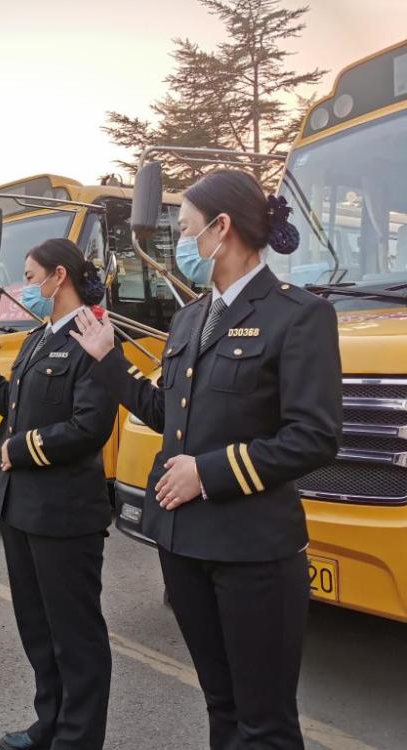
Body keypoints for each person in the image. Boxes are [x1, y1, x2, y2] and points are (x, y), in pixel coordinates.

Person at [71, 170, 342, 750]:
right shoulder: (193, 317)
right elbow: (171, 413)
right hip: (184, 546)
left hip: (253, 553)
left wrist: (208, 472)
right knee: (220, 704)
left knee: (263, 722)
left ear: (222, 229)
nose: (184, 244)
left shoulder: (298, 315)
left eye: (189, 230)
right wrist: (108, 360)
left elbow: (313, 437)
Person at [0, 239, 117, 750]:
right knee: (39, 630)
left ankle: (78, 738)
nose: (23, 287)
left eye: (29, 275)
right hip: (22, 509)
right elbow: (11, 402)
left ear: (58, 276)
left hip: (65, 514)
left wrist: (22, 448)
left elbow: (91, 426)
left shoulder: (92, 333)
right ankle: (50, 724)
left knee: (75, 635)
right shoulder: (43, 337)